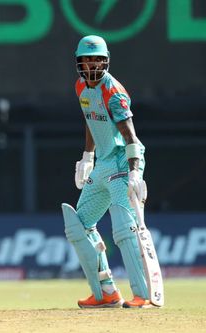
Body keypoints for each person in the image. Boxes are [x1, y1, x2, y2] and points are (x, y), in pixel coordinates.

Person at [61, 35, 150, 308]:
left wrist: (135, 173)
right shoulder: (80, 87)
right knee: (79, 226)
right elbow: (90, 120)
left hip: (123, 162)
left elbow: (131, 137)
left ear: (106, 60)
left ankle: (144, 295)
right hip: (102, 164)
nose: (93, 64)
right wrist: (87, 156)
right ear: (79, 62)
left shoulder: (114, 92)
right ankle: (106, 292)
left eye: (98, 59)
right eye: (87, 59)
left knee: (124, 230)